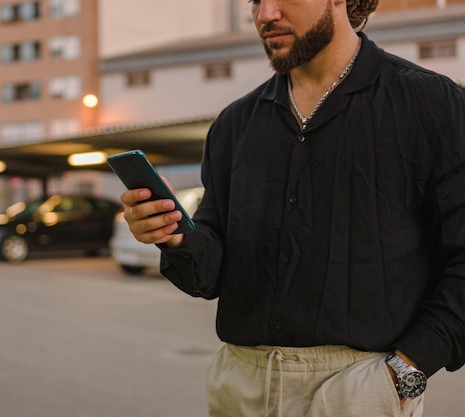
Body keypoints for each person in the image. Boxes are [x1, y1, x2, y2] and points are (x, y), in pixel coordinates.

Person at [118, 0, 465, 415]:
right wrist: (173, 234)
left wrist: (406, 369)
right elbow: (208, 275)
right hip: (241, 384)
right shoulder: (234, 125)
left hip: (363, 388)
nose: (265, 14)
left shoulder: (432, 104)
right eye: (255, 1)